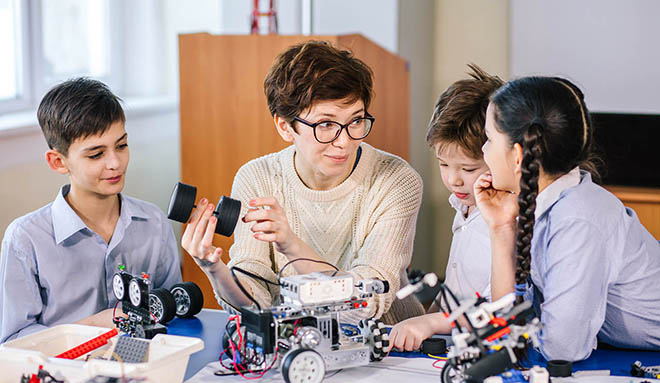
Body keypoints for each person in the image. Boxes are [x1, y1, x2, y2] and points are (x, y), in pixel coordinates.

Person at [181, 40, 424, 324]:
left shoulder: (396, 180)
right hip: (296, 345)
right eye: (326, 125)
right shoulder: (257, 177)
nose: (345, 142)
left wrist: (291, 245)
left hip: (390, 348)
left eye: (356, 121)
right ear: (285, 126)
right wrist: (213, 267)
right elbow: (254, 300)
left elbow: (366, 305)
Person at [475, 76, 660, 361]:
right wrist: (501, 228)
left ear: (517, 156)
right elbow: (504, 325)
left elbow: (562, 348)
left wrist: (524, 328)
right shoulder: (544, 205)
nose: (484, 150)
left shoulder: (578, 219)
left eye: (488, 139)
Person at [0, 78, 181, 343]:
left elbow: (171, 315)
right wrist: (93, 325)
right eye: (96, 154)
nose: (115, 163)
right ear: (58, 162)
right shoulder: (26, 239)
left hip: (143, 368)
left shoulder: (154, 222)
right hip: (62, 375)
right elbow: (14, 340)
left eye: (121, 145)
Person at [388, 65, 504, 351]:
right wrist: (428, 319)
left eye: (468, 168)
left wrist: (432, 323)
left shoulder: (504, 221)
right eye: (443, 164)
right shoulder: (462, 205)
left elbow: (498, 308)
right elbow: (458, 285)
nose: (454, 179)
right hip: (457, 342)